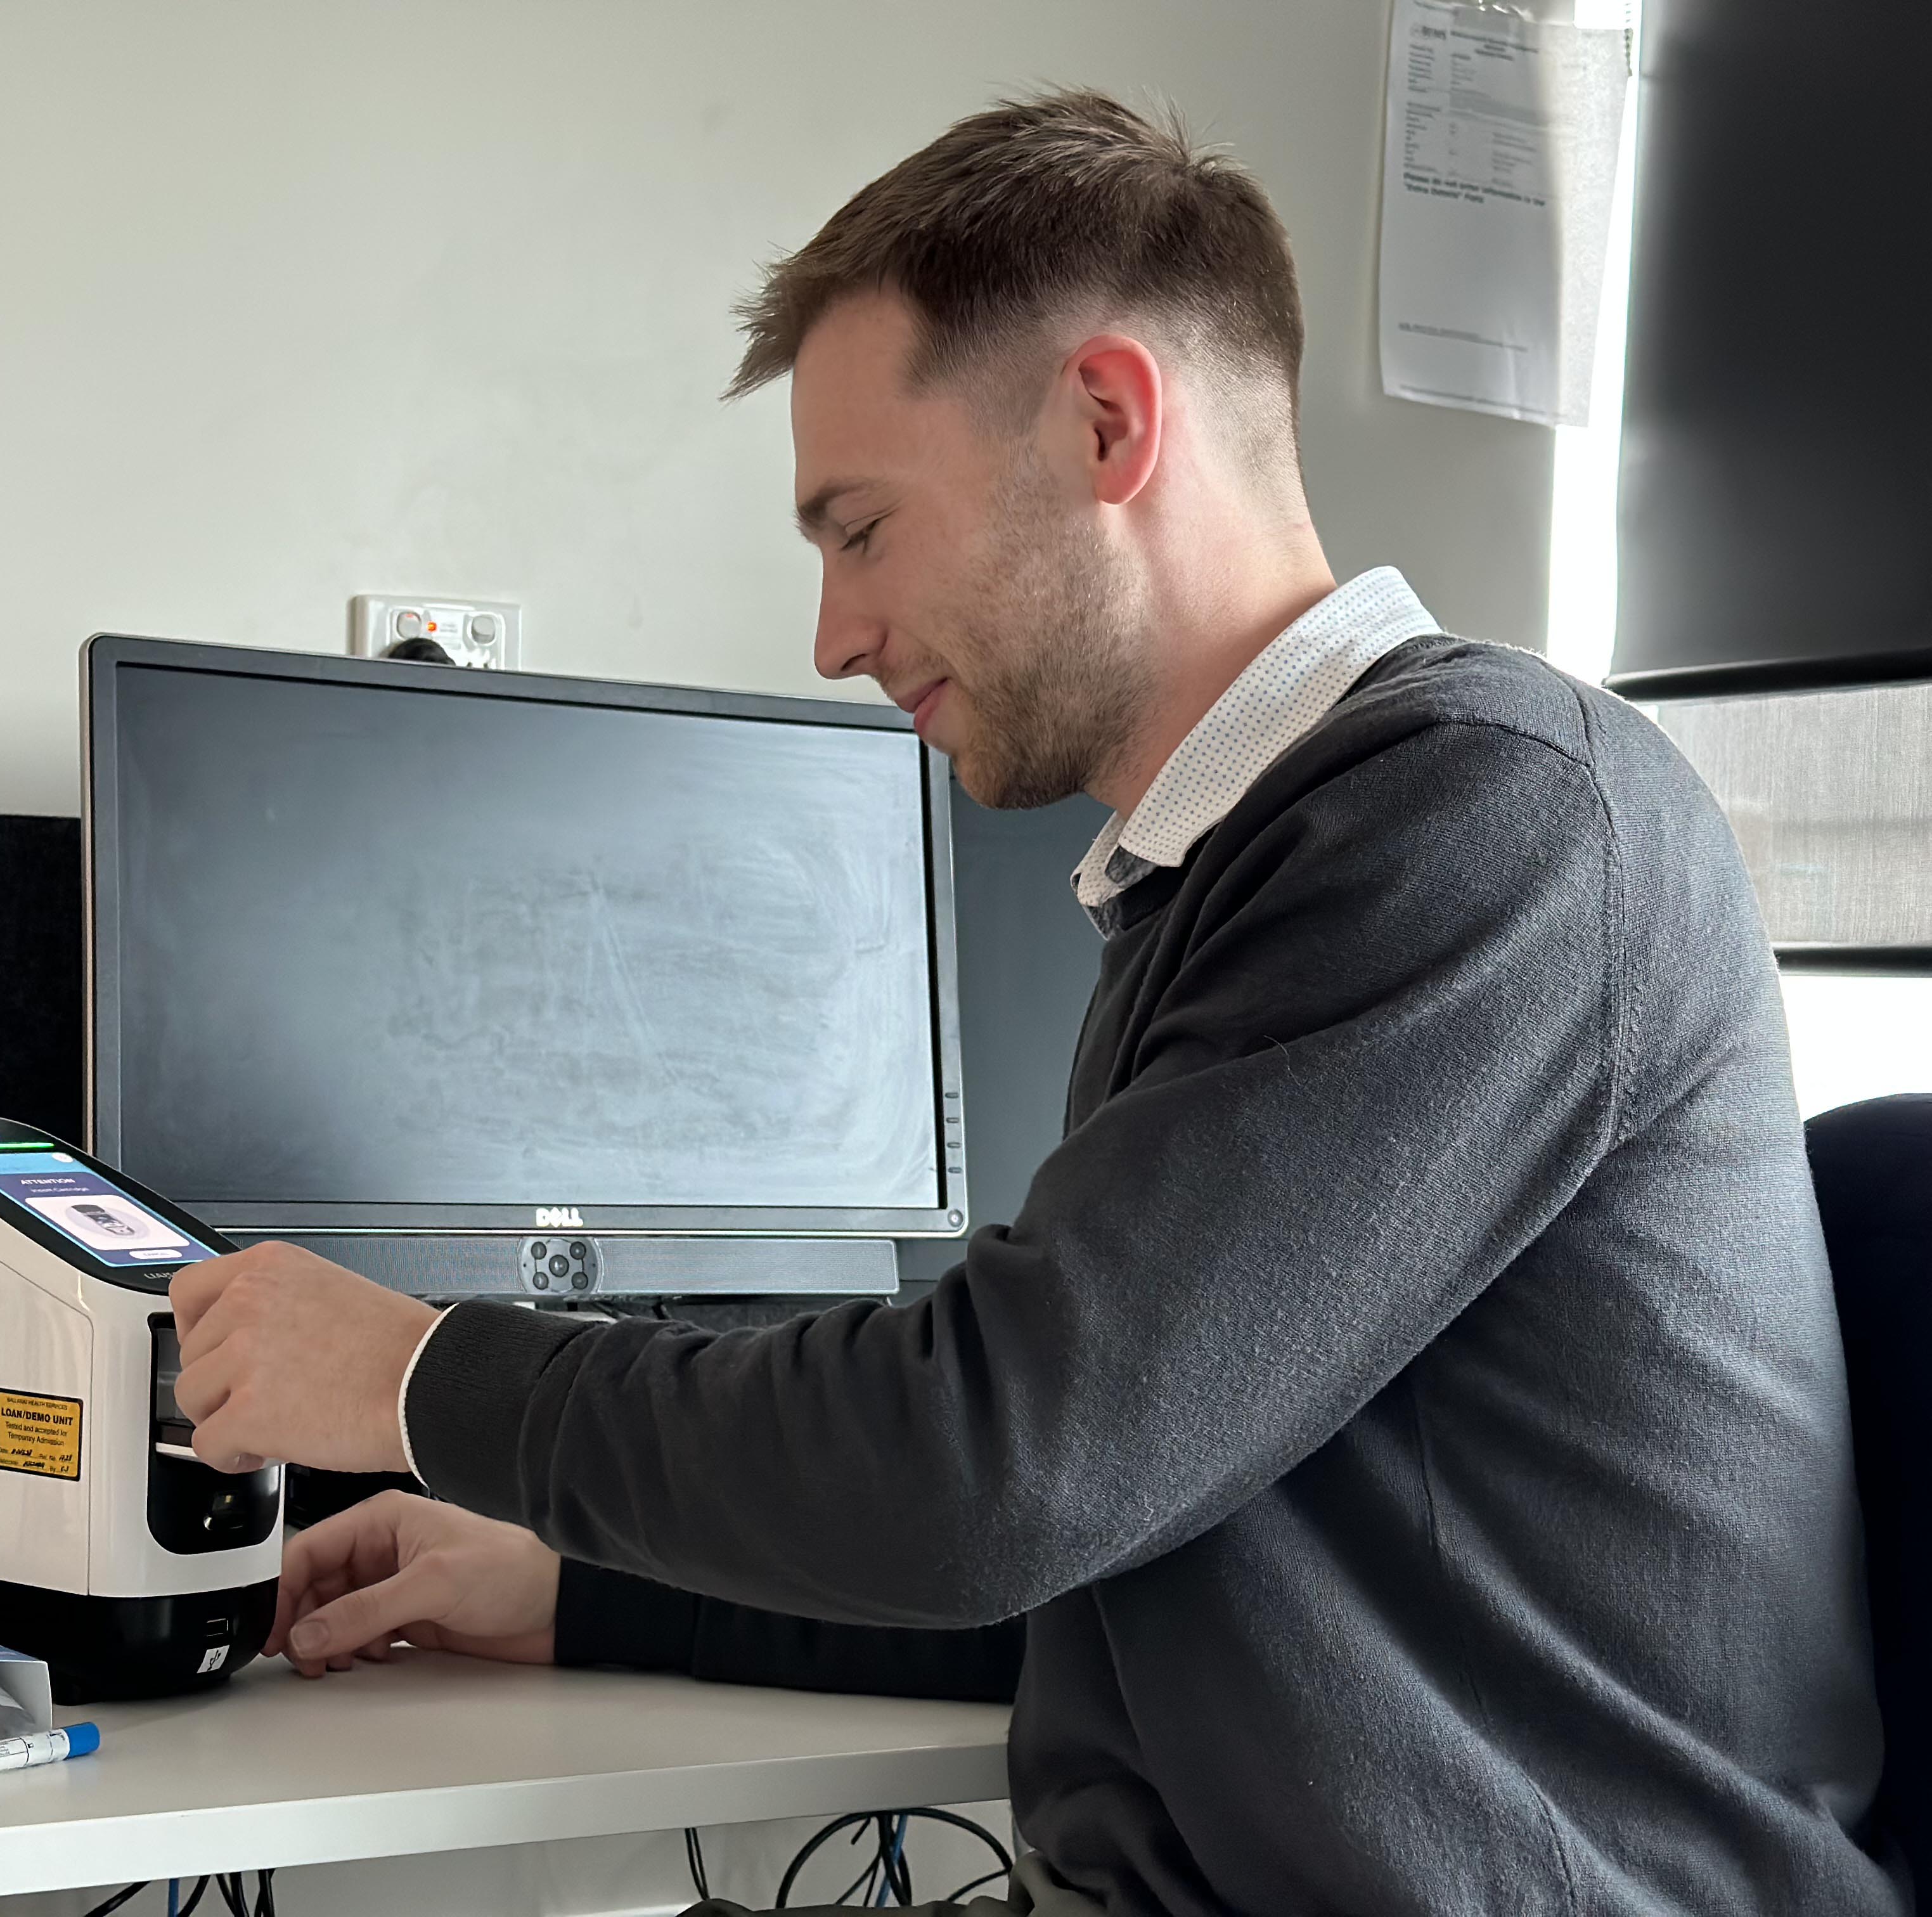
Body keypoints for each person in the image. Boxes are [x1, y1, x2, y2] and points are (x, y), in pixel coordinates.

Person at [162, 89, 1901, 1916]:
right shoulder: (1230, 875)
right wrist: (586, 1582)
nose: (833, 634)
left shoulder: (1490, 822)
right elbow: (1122, 1550)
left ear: (1103, 424)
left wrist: (426, 1377)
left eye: (860, 529)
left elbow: (1001, 1466)